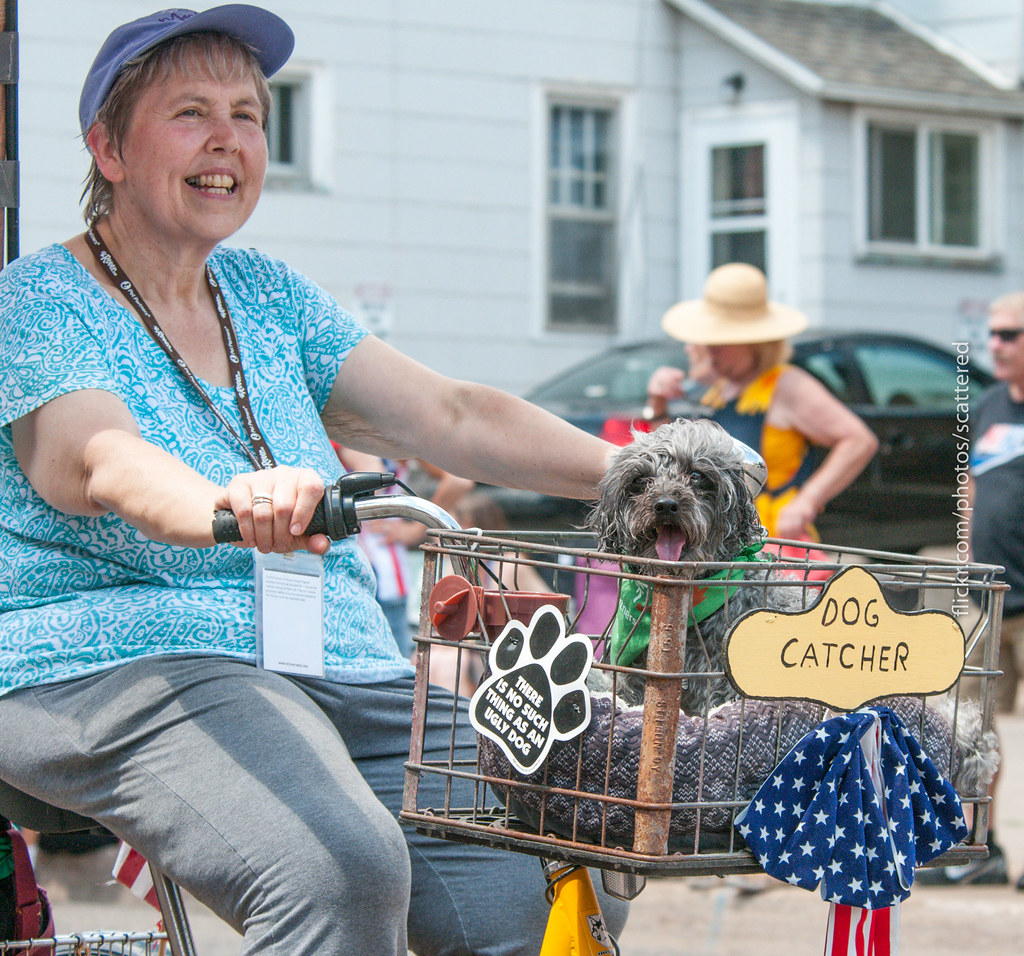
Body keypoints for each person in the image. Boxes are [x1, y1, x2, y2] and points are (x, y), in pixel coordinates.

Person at [0, 7, 628, 955]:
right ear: (109, 149)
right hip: (120, 660)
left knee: (543, 868)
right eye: (191, 113)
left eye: (250, 115)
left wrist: (651, 468)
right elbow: (99, 459)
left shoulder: (267, 293)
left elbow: (452, 415)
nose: (228, 140)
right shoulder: (38, 299)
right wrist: (225, 502)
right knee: (335, 865)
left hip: (329, 661)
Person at [645, 263, 878, 541]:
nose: (708, 349)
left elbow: (859, 441)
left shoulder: (788, 384)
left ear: (753, 341)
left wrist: (807, 501)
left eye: (718, 342)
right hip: (723, 535)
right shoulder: (720, 388)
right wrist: (657, 403)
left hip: (772, 538)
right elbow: (671, 458)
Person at [918, 292, 1024, 888]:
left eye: (1011, 333)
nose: (997, 344)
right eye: (993, 333)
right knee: (974, 732)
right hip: (992, 598)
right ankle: (979, 849)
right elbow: (971, 493)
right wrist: (966, 558)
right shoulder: (986, 406)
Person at [333, 446, 474, 658]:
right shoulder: (388, 440)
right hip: (374, 571)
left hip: (371, 571)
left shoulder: (375, 438)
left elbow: (459, 481)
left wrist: (416, 529)